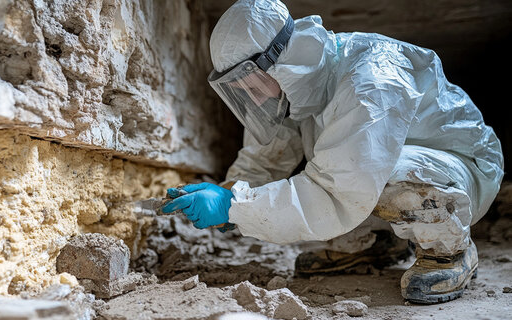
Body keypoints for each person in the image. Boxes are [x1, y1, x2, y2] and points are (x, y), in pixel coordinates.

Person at [162, 0, 503, 304]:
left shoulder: (373, 77)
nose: (254, 97)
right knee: (339, 168)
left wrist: (235, 206)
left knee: (373, 176)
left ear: (279, 60)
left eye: (252, 85)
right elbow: (267, 156)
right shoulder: (297, 86)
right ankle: (371, 245)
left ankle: (449, 252)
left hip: (463, 168)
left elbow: (340, 188)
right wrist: (228, 190)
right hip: (377, 169)